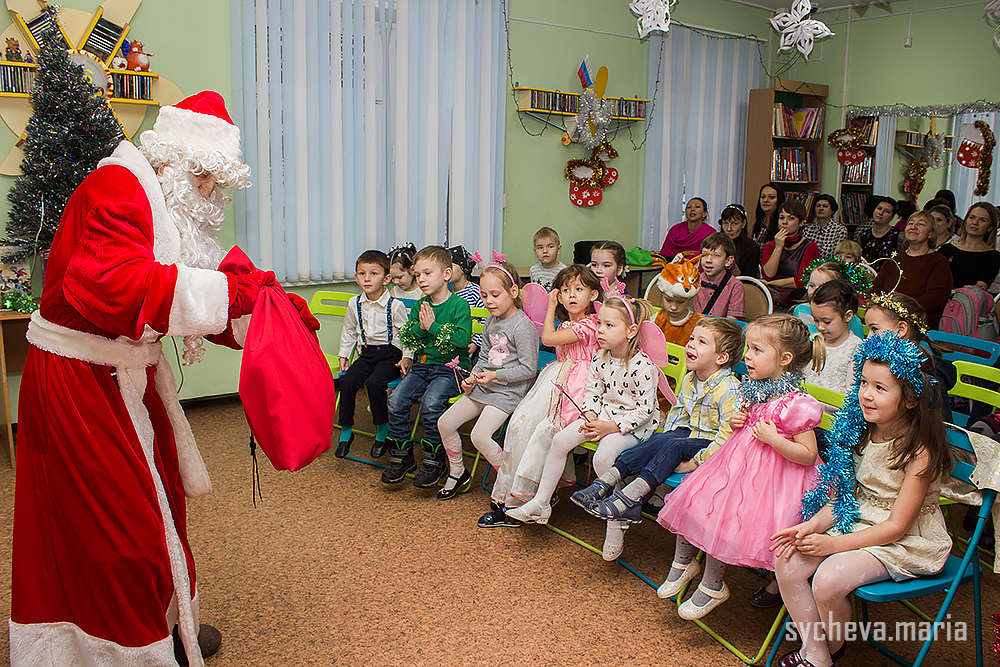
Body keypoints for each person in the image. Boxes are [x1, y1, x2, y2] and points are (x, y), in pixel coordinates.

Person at [8, 91, 285, 666]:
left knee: (163, 510)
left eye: (217, 183)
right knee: (116, 533)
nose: (209, 194)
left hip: (126, 375)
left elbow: (191, 291)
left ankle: (168, 632)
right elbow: (115, 286)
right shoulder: (116, 189)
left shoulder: (162, 205)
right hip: (80, 382)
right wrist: (231, 295)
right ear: (171, 159)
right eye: (204, 178)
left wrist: (263, 313)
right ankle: (116, 653)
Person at [772, 334, 952, 667]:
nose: (865, 394)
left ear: (912, 399)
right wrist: (811, 526)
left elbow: (897, 527)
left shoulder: (920, 451)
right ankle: (817, 652)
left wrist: (831, 545)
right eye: (864, 382)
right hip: (863, 519)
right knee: (787, 561)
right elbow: (848, 496)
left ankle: (832, 650)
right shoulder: (864, 431)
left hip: (905, 538)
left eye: (880, 388)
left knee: (828, 579)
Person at [656, 315, 823, 620]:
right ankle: (683, 563)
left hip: (773, 481)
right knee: (695, 500)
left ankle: (712, 585)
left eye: (757, 350)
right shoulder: (754, 390)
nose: (747, 355)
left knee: (727, 519)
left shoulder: (795, 403)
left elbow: (808, 455)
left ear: (784, 359)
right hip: (736, 464)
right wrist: (738, 423)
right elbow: (743, 429)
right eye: (749, 348)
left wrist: (775, 439)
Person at [572, 318, 744, 560]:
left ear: (721, 358)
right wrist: (664, 440)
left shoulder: (729, 390)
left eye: (701, 342)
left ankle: (630, 498)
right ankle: (606, 483)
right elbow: (678, 413)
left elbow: (727, 439)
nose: (690, 345)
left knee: (673, 443)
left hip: (711, 446)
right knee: (659, 440)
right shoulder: (691, 378)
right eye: (692, 338)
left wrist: (694, 462)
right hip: (687, 436)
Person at [508, 293, 660, 526]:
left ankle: (619, 515)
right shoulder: (600, 357)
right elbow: (592, 393)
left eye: (609, 325)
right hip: (602, 418)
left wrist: (608, 427)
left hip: (632, 426)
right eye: (599, 323)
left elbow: (645, 411)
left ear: (630, 332)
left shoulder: (643, 366)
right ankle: (541, 503)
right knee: (559, 440)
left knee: (603, 458)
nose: (600, 330)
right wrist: (590, 415)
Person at [479, 264, 603, 527]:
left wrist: (549, 307)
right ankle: (519, 495)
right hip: (557, 379)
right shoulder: (572, 322)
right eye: (566, 289)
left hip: (579, 387)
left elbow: (547, 338)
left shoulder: (591, 323)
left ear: (593, 295)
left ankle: (525, 499)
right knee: (519, 426)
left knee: (536, 432)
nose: (571, 295)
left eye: (578, 289)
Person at [437, 257, 539, 499]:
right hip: (485, 387)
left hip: (508, 392)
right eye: (484, 295)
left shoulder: (522, 327)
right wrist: (472, 377)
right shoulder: (491, 322)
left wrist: (495, 375)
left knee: (479, 436)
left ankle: (512, 481)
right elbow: (483, 357)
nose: (489, 301)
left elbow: (528, 370)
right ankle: (458, 473)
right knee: (445, 423)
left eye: (495, 294)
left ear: (513, 291)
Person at [382, 245, 473, 487]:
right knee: (396, 400)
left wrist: (432, 327)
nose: (421, 279)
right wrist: (420, 327)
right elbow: (409, 338)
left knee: (431, 403)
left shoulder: (458, 306)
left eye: (427, 273)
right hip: (423, 366)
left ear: (445, 275)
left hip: (451, 369)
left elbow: (462, 340)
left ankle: (434, 458)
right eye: (418, 274)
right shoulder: (421, 305)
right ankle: (402, 456)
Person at [336, 249, 410, 459]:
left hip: (390, 354)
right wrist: (344, 354)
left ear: (387, 278)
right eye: (362, 273)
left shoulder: (395, 305)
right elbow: (349, 330)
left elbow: (406, 336)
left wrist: (407, 357)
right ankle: (346, 431)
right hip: (367, 353)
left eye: (374, 273)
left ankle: (382, 430)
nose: (367, 278)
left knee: (375, 383)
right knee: (348, 381)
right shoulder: (354, 303)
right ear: (356, 277)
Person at [863, 292, 957, 424]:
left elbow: (939, 424)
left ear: (901, 329)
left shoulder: (924, 373)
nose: (868, 337)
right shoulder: (878, 362)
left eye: (874, 329)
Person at [872, 211, 953, 328]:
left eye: (921, 224)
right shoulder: (894, 260)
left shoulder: (939, 261)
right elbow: (876, 288)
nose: (913, 227)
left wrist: (900, 309)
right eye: (910, 223)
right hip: (886, 321)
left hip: (918, 325)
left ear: (930, 234)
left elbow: (935, 299)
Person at [804, 280, 863, 395]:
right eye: (816, 320)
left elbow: (851, 392)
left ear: (847, 316)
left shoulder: (855, 349)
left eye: (827, 321)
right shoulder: (813, 340)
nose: (820, 327)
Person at [761, 200, 821, 308]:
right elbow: (768, 275)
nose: (784, 222)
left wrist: (772, 284)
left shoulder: (810, 247)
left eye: (791, 218)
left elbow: (800, 282)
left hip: (796, 300)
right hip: (770, 298)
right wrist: (778, 247)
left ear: (801, 223)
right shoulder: (770, 246)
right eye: (781, 217)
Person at [793, 260, 866, 339]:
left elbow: (860, 348)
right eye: (811, 285)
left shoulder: (852, 320)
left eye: (822, 287)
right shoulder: (800, 310)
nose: (815, 291)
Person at [938, 202, 1000, 291]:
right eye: (972, 217)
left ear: (990, 227)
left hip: (967, 302)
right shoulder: (947, 249)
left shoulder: (992, 256)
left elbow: (980, 287)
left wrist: (952, 292)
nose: (975, 223)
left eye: (983, 220)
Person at [692, 233, 745, 319]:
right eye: (705, 255)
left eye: (716, 255)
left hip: (721, 330)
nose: (708, 260)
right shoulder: (692, 282)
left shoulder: (735, 286)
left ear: (728, 261)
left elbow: (732, 322)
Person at [449, 244, 485, 354]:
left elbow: (486, 320)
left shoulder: (475, 292)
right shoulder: (447, 294)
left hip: (476, 346)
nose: (446, 271)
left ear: (463, 269)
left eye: (450, 267)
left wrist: (475, 343)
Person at [719, 203, 760, 278]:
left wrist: (733, 267)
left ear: (743, 223)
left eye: (734, 223)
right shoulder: (716, 244)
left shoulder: (752, 248)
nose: (729, 228)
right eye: (725, 223)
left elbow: (748, 281)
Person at [856, 196, 900, 264]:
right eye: (879, 208)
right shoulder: (863, 236)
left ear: (892, 217)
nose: (881, 213)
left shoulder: (898, 235)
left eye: (887, 211)